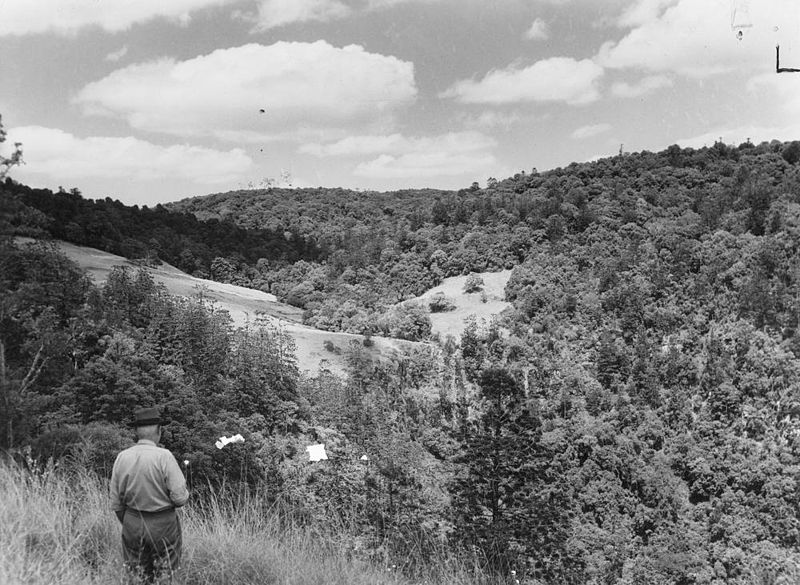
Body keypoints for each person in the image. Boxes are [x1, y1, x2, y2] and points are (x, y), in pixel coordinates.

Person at [110, 406, 189, 582]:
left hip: (132, 521)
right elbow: (179, 498)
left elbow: (116, 502)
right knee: (165, 573)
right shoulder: (164, 456)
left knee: (136, 574)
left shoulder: (122, 457)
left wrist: (131, 520)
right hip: (163, 524)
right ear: (159, 431)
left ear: (136, 432)